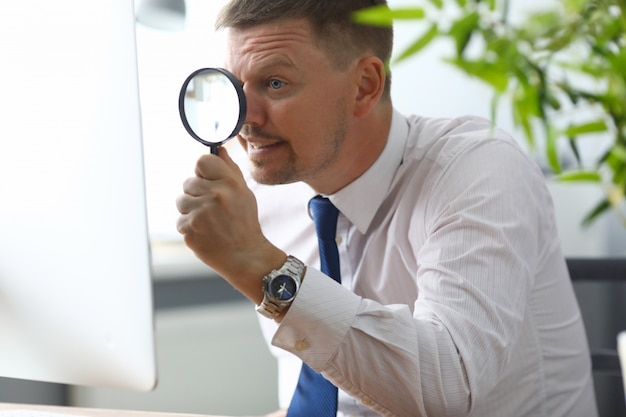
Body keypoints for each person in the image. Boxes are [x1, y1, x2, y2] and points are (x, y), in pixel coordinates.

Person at [175, 0, 598, 415]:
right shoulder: (267, 190)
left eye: (275, 83)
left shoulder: (479, 171)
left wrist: (261, 268)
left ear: (364, 87)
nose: (246, 119)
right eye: (234, 84)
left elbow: (447, 388)